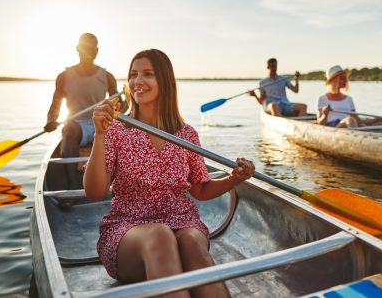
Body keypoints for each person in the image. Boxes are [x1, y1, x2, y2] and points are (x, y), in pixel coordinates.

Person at [84, 49, 255, 297]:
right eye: (133, 74)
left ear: (165, 81)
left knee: (193, 242)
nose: (137, 81)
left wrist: (234, 179)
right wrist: (99, 135)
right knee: (160, 235)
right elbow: (94, 192)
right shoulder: (116, 130)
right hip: (128, 230)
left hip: (182, 221)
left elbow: (201, 189)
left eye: (148, 74)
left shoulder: (186, 135)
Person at [44, 33, 118, 189]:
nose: (88, 52)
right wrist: (51, 120)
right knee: (69, 128)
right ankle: (72, 185)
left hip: (101, 122)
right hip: (77, 126)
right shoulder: (64, 77)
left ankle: (116, 184)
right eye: (85, 48)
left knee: (119, 130)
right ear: (77, 49)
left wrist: (120, 104)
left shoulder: (107, 77)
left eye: (92, 49)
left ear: (97, 51)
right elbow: (55, 105)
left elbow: (120, 107)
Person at [317, 65, 382, 128]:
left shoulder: (349, 99)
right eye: (342, 78)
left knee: (362, 125)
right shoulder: (322, 99)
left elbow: (358, 121)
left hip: (349, 126)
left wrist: (379, 119)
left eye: (345, 78)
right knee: (350, 120)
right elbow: (320, 123)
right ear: (334, 80)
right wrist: (324, 115)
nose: (346, 81)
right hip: (332, 128)